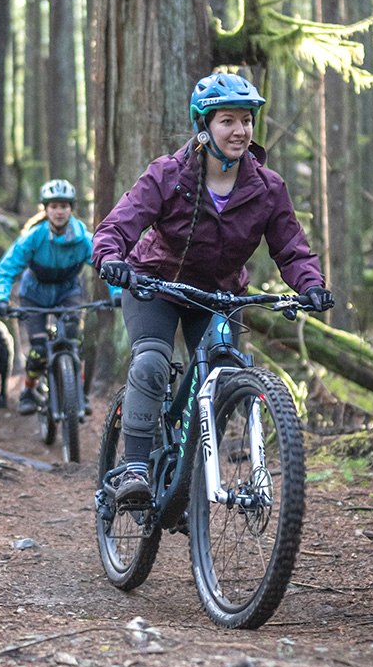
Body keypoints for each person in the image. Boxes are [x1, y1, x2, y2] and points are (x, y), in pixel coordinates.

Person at [92, 72, 333, 509]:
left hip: (221, 295)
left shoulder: (267, 187)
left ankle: (196, 483)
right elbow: (119, 224)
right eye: (228, 120)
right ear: (204, 127)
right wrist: (111, 258)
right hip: (155, 285)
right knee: (150, 362)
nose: (240, 130)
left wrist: (310, 285)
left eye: (247, 120)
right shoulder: (167, 175)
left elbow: (291, 248)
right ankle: (136, 469)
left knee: (222, 374)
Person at [0, 179, 99, 414]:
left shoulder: (84, 239)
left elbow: (107, 264)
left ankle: (78, 392)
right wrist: (1, 298)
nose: (59, 211)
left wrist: (118, 293)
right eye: (54, 206)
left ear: (72, 209)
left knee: (74, 340)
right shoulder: (33, 237)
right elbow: (6, 268)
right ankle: (28, 390)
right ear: (45, 209)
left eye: (64, 206)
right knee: (38, 350)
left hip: (68, 293)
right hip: (33, 296)